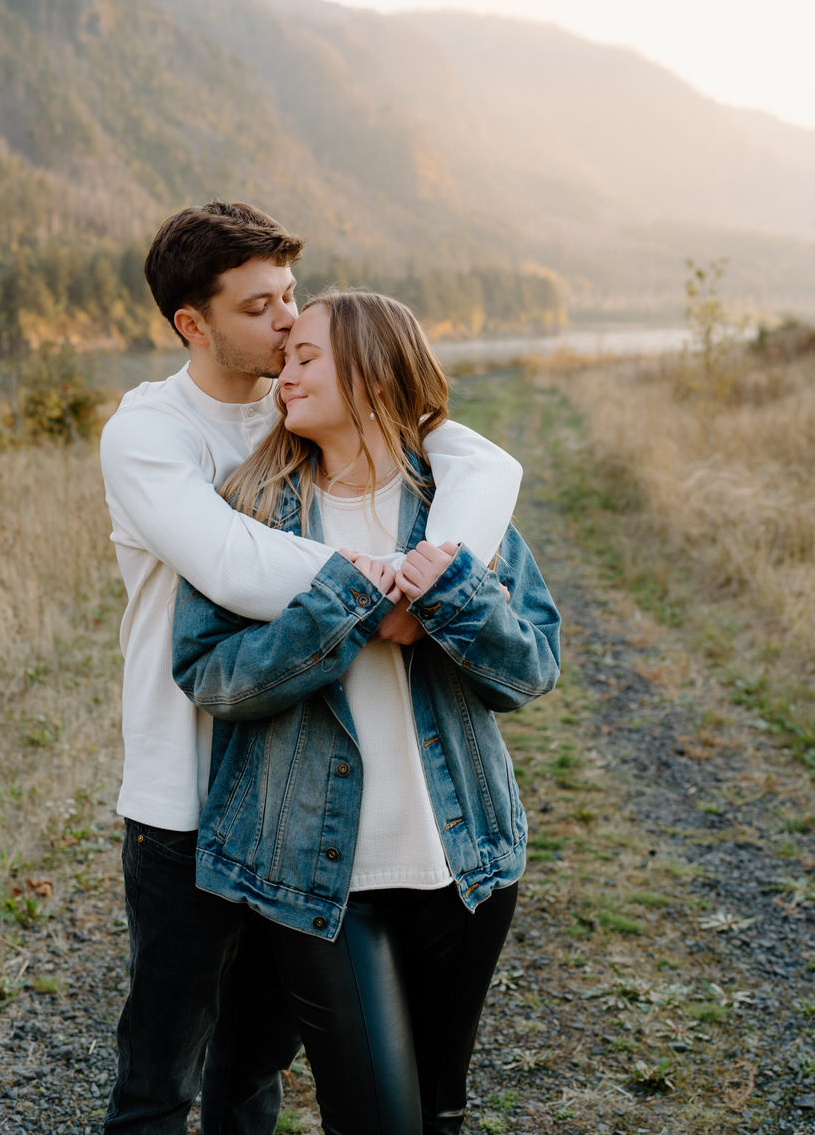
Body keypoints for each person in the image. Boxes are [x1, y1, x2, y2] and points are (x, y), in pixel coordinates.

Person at [99, 202, 524, 1134]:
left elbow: (476, 459)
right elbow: (235, 566)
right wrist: (391, 595)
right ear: (193, 325)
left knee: (253, 1064)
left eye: (292, 298)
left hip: (295, 806)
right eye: (261, 308)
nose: (291, 323)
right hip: (186, 793)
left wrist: (440, 570)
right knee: (164, 1073)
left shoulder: (308, 412)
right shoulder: (151, 434)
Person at [170, 289, 561, 1135]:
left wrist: (449, 599)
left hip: (467, 864)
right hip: (319, 876)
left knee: (438, 1109)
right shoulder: (247, 509)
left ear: (376, 371)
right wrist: (340, 605)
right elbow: (212, 678)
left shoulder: (458, 511)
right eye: (286, 359)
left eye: (307, 357)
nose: (285, 375)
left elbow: (531, 672)